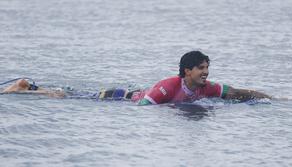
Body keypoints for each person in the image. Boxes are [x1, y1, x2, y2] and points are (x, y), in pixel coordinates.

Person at [1, 51, 271, 104]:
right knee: (64, 96)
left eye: (207, 67)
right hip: (119, 98)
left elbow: (236, 92)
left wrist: (272, 98)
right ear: (187, 71)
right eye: (201, 68)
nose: (206, 72)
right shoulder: (168, 87)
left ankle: (31, 86)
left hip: (135, 96)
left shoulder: (207, 87)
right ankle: (24, 87)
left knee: (66, 93)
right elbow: (141, 108)